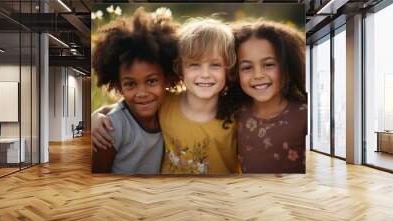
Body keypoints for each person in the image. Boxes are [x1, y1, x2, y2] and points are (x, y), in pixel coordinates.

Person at [92, 18, 239, 174]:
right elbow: (124, 110)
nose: (204, 74)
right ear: (179, 69)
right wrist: (97, 116)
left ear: (228, 69)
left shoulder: (237, 116)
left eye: (215, 65)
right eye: (194, 64)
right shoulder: (166, 103)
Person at [91, 8, 179, 174]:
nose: (142, 93)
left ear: (167, 77)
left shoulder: (170, 108)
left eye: (151, 81)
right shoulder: (109, 130)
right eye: (130, 84)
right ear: (118, 85)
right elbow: (97, 177)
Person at [231, 20, 307, 173]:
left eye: (268, 64)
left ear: (287, 65)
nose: (258, 75)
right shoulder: (235, 113)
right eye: (247, 67)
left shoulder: (304, 115)